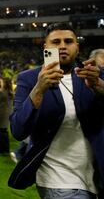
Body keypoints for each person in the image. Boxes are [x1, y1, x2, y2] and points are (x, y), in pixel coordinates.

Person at [8, 22, 104, 198]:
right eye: (56, 42)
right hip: (58, 180)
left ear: (77, 46)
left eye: (68, 41)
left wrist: (100, 87)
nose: (62, 46)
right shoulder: (28, 79)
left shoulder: (94, 76)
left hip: (95, 177)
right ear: (46, 47)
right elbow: (18, 130)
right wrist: (38, 89)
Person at [0, 77, 14, 154]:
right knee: (4, 132)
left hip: (1, 114)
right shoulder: (10, 92)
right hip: (7, 114)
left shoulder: (1, 92)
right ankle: (6, 149)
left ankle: (0, 149)